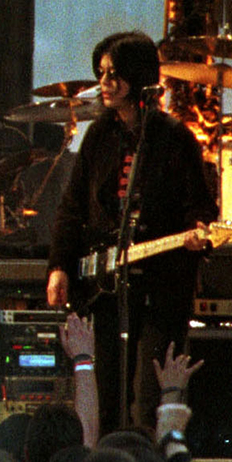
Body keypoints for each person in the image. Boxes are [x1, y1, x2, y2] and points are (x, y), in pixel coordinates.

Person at [46, 30, 215, 433]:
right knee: (104, 394)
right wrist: (60, 266)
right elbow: (73, 206)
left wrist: (197, 233)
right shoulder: (99, 135)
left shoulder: (175, 139)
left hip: (160, 286)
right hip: (105, 286)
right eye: (100, 73)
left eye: (113, 74)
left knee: (149, 399)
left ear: (136, 78)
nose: (103, 84)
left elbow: (202, 208)